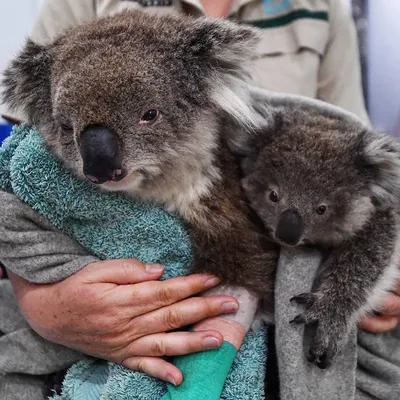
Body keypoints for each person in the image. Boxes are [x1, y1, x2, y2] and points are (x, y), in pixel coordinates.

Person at [1, 1, 399, 399]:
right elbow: (17, 159)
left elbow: (356, 157)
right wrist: (43, 303)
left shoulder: (321, 8)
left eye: (148, 115)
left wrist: (370, 278)